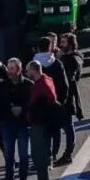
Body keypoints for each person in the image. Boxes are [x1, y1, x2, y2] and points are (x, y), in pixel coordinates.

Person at [31, 36, 70, 166]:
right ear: (50, 47)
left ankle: (44, 156)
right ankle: (53, 155)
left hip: (38, 106)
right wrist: (60, 102)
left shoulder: (33, 64)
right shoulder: (57, 63)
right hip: (54, 103)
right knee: (55, 131)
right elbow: (65, 85)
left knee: (42, 132)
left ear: (38, 48)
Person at [0, 57, 32, 180]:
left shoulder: (28, 85)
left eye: (12, 68)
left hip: (23, 124)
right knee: (9, 156)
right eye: (8, 68)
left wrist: (22, 109)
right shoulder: (3, 85)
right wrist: (10, 108)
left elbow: (32, 103)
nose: (9, 71)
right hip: (7, 124)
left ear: (19, 69)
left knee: (24, 156)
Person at [25, 59, 58, 180]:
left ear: (34, 70)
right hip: (45, 123)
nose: (26, 73)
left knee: (39, 155)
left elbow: (39, 103)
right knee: (42, 155)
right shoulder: (48, 80)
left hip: (40, 124)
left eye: (28, 70)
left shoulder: (40, 85)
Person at [56, 33, 84, 166]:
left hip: (68, 97)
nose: (61, 45)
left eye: (64, 42)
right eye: (61, 42)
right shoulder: (65, 57)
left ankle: (68, 154)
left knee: (68, 126)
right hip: (61, 95)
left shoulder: (74, 58)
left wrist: (59, 59)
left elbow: (69, 76)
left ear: (71, 44)